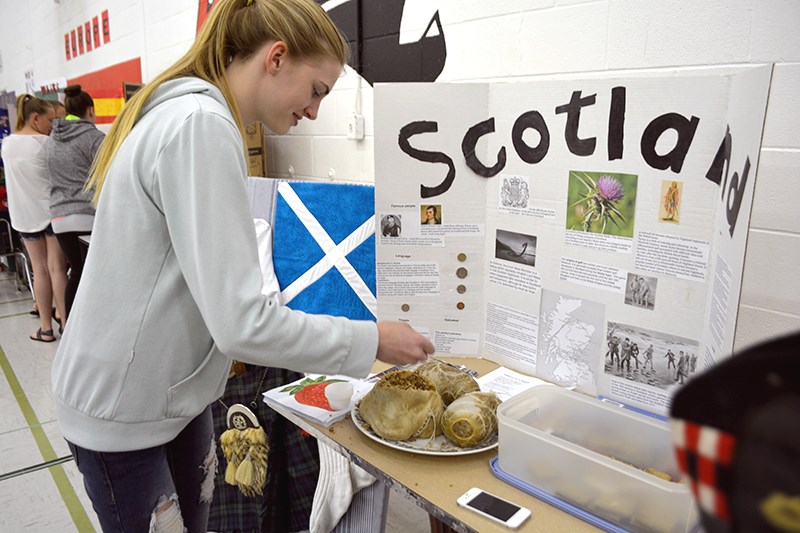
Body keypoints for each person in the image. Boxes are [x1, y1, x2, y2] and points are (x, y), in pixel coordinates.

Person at [50, 1, 434, 532]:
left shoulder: (197, 117)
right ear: (276, 58)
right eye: (318, 90)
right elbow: (241, 325)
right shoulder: (200, 125)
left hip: (171, 398)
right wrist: (373, 340)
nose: (315, 111)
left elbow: (209, 289)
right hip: (124, 408)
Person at [1, 94, 68, 342]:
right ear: (36, 118)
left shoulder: (7, 144)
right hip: (52, 212)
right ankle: (66, 322)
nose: (52, 125)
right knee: (57, 268)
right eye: (50, 120)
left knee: (38, 270)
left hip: (24, 216)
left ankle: (46, 329)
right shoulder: (45, 143)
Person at [43, 84, 105, 323]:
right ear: (90, 110)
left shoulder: (52, 138)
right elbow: (108, 176)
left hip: (59, 217)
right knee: (89, 275)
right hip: (86, 215)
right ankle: (87, 327)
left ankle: (68, 325)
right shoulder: (95, 138)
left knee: (76, 272)